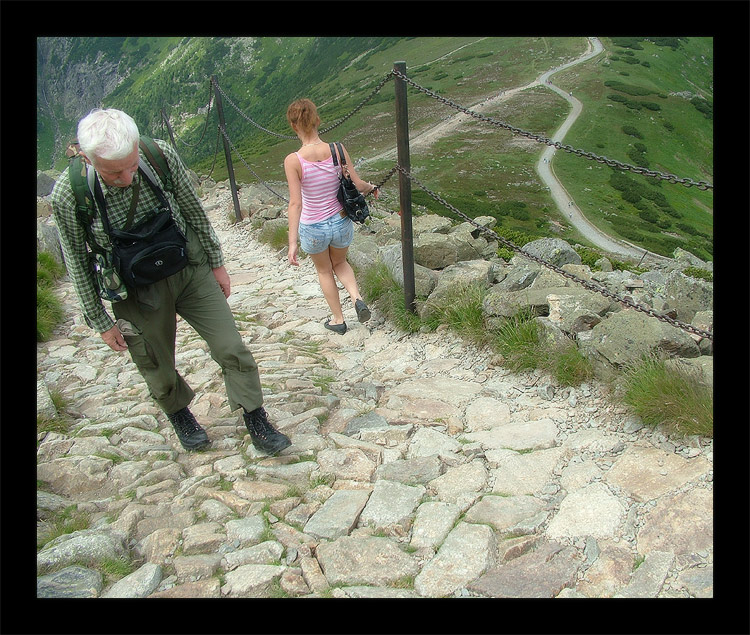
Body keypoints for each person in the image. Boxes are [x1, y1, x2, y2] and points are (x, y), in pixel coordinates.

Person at [51, 108, 291, 455]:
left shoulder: (158, 155)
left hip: (188, 268)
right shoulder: (69, 194)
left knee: (230, 346)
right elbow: (75, 258)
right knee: (155, 365)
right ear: (88, 159)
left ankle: (256, 418)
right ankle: (179, 413)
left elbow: (193, 210)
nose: (127, 176)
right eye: (113, 172)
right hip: (134, 289)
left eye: (131, 165)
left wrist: (216, 263)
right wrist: (100, 319)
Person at [283, 98, 376, 335]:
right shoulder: (337, 149)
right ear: (317, 120)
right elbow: (357, 184)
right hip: (340, 220)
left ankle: (338, 319)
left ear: (294, 126)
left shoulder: (293, 161)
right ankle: (356, 297)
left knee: (324, 271)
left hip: (313, 227)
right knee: (341, 263)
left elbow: (295, 203)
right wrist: (372, 186)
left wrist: (292, 243)